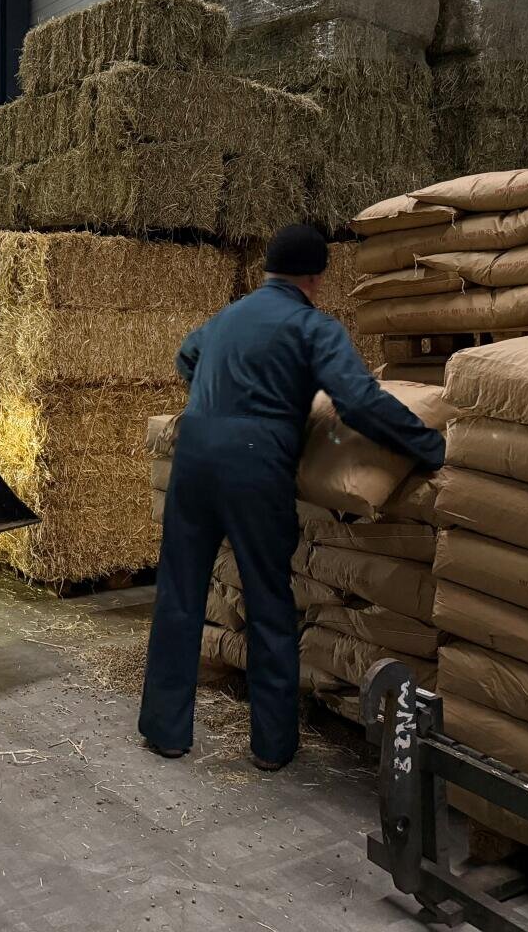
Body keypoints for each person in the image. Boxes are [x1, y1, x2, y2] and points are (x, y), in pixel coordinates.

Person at [137, 224, 445, 770]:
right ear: (316, 278)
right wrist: (429, 447)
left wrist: (222, 392)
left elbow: (186, 357)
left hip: (194, 458)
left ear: (267, 272)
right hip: (255, 466)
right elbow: (359, 402)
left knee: (180, 594)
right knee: (268, 602)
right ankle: (272, 747)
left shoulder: (228, 316)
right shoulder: (312, 326)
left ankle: (165, 731)